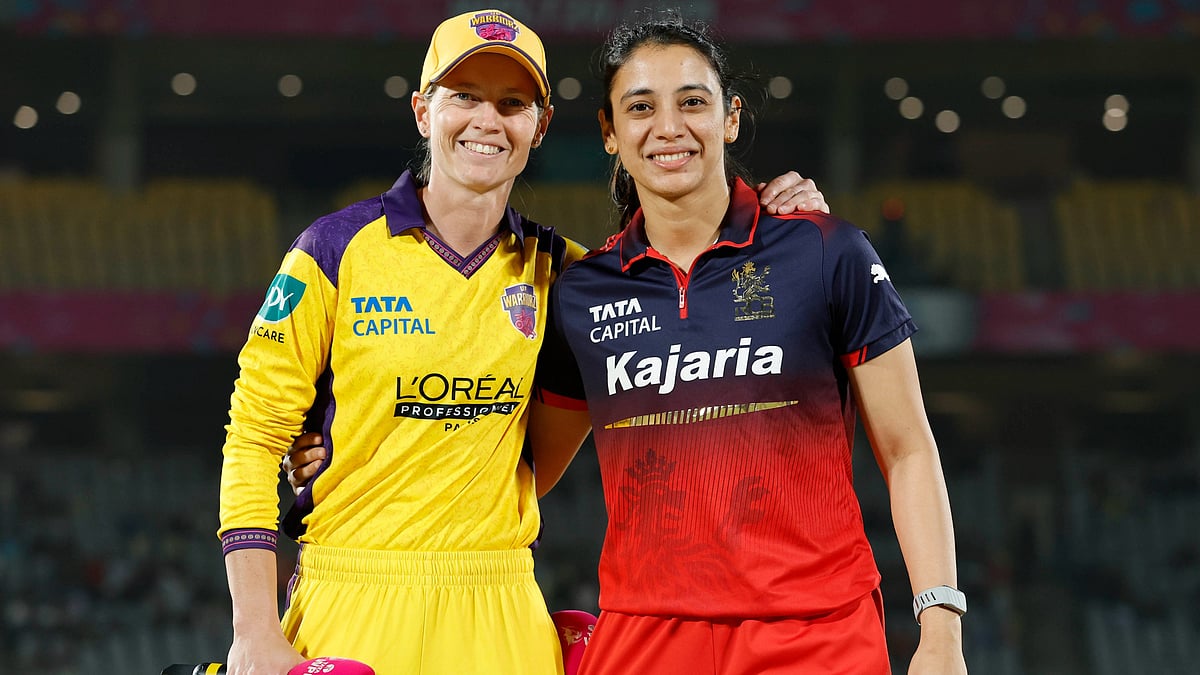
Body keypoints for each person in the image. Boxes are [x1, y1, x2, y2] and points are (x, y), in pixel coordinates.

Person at [220, 8, 828, 675]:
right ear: (423, 111)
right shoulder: (333, 250)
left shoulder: (569, 274)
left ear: (539, 126)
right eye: (464, 97)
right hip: (352, 594)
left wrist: (774, 222)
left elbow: (697, 307)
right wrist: (254, 633)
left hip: (504, 606)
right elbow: (253, 438)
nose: (487, 120)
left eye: (512, 103)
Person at [527, 13, 967, 675]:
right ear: (609, 132)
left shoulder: (826, 251)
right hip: (645, 638)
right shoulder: (582, 292)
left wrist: (941, 633)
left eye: (692, 102)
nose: (668, 127)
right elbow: (525, 475)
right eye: (640, 107)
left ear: (730, 118)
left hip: (815, 635)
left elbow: (908, 449)